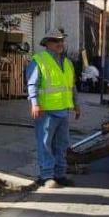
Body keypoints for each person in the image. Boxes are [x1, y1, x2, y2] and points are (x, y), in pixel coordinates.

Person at [26, 30, 81, 190]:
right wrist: (35, 104)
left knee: (62, 145)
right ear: (47, 43)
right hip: (46, 111)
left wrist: (76, 105)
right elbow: (32, 84)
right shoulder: (39, 61)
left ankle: (60, 175)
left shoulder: (67, 63)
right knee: (45, 144)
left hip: (63, 110)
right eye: (56, 41)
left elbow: (72, 86)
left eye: (61, 41)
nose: (60, 44)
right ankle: (46, 176)